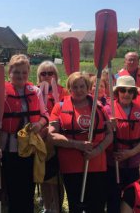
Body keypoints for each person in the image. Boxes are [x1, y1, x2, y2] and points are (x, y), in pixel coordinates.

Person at [48, 72, 113, 213]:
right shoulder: (59, 107)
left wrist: (97, 150)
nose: (79, 90)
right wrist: (77, 145)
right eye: (74, 87)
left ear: (88, 87)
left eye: (82, 86)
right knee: (75, 205)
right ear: (69, 88)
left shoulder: (99, 107)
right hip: (71, 166)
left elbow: (109, 134)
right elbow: (51, 136)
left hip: (97, 164)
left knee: (97, 205)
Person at [0, 54, 49, 213]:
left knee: (28, 189)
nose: (20, 76)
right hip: (9, 148)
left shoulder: (35, 91)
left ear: (28, 73)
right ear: (9, 72)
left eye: (24, 72)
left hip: (30, 147)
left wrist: (39, 124)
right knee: (12, 190)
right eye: (16, 72)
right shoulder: (1, 92)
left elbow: (45, 114)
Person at [105, 75, 140, 213]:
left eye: (130, 91)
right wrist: (108, 127)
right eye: (123, 90)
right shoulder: (108, 110)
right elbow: (100, 136)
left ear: (134, 93)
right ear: (117, 92)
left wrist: (130, 153)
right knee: (113, 200)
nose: (126, 94)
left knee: (132, 199)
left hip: (134, 163)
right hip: (113, 164)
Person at [36, 60, 67, 213]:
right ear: (39, 76)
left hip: (58, 140)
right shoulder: (34, 92)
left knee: (56, 178)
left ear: (56, 75)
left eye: (51, 73)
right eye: (44, 73)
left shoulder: (64, 92)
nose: (47, 76)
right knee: (44, 176)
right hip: (40, 140)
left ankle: (57, 207)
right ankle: (48, 207)